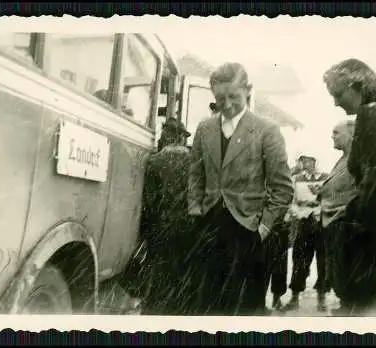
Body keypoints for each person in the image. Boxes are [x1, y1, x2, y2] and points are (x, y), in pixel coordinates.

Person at [188, 62, 294, 316]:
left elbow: (282, 188)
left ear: (248, 90)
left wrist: (264, 227)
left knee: (244, 310)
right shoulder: (204, 128)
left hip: (248, 232)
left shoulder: (267, 130)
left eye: (233, 96)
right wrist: (195, 211)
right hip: (210, 227)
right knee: (208, 306)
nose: (226, 105)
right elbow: (195, 175)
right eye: (219, 98)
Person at [323, 58, 376, 316]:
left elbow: (370, 180)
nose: (335, 102)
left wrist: (355, 219)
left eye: (338, 94)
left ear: (356, 85)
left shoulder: (372, 116)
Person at [137, 117, 193, 315]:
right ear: (179, 138)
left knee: (158, 277)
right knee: (181, 277)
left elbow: (149, 203)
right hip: (187, 230)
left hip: (160, 229)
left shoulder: (154, 161)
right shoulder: (194, 162)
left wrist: (145, 233)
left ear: (166, 137)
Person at [313, 120, 357, 315]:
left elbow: (356, 192)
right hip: (332, 222)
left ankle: (349, 307)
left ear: (351, 135)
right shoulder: (342, 159)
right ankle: (345, 304)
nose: (333, 136)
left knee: (345, 270)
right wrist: (322, 190)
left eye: (336, 132)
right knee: (336, 268)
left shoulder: (356, 160)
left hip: (344, 222)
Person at [282, 155, 330, 312]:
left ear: (316, 161)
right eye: (303, 160)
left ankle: (322, 298)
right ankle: (294, 297)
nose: (306, 163)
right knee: (299, 259)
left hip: (321, 222)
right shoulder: (297, 179)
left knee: (323, 260)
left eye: (309, 160)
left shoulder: (326, 177)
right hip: (304, 223)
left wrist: (319, 207)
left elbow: (331, 198)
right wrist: (298, 211)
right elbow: (292, 201)